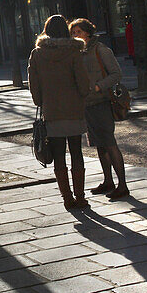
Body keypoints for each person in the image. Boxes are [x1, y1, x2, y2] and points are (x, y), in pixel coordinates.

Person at [28, 14, 91, 211]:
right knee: (76, 153)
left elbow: (34, 84)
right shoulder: (74, 52)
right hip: (73, 109)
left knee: (59, 156)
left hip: (52, 110)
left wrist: (40, 101)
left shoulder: (37, 54)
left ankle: (67, 198)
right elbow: (82, 82)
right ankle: (80, 197)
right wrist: (83, 95)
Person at [70, 18, 129, 199]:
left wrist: (98, 86)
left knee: (109, 143)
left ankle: (122, 185)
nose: (75, 35)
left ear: (87, 32)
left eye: (78, 32)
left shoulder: (100, 50)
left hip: (101, 102)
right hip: (87, 104)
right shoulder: (77, 52)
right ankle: (108, 181)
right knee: (99, 145)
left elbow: (116, 74)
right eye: (73, 33)